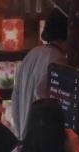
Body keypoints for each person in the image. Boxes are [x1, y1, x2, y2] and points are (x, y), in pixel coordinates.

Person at [11, 8, 68, 140]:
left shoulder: (32, 53)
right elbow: (41, 92)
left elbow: (15, 97)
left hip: (25, 135)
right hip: (40, 137)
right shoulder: (57, 58)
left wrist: (19, 133)